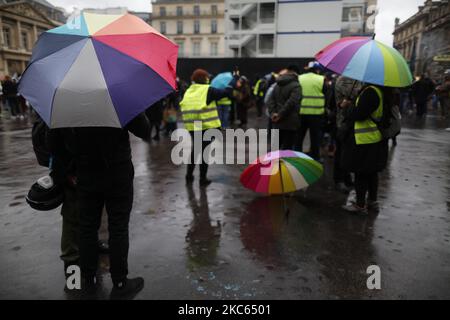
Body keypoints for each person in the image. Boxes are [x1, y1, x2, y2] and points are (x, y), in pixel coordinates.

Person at [51, 112, 151, 299]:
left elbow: (54, 143)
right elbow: (144, 130)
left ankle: (88, 279)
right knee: (118, 226)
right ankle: (120, 283)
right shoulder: (118, 96)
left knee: (87, 227)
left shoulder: (67, 100)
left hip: (86, 172)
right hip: (117, 171)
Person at [340, 84, 390, 215]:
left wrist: (347, 106)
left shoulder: (370, 92)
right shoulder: (380, 91)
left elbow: (359, 114)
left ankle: (360, 205)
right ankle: (372, 201)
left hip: (363, 138)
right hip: (373, 137)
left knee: (361, 172)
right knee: (371, 172)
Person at [180, 69, 235, 186]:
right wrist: (233, 81)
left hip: (192, 126)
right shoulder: (208, 90)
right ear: (205, 79)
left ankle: (189, 176)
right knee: (204, 152)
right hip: (206, 126)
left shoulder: (189, 90)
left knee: (196, 150)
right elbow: (226, 93)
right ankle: (202, 179)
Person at [333, 76, 362, 193]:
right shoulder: (343, 80)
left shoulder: (359, 80)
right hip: (343, 121)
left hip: (354, 121)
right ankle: (339, 180)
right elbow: (350, 96)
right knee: (341, 152)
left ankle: (347, 177)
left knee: (349, 152)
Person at [295, 62, 328, 161]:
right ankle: (315, 158)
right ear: (317, 70)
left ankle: (297, 157)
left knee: (299, 137)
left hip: (301, 112)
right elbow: (327, 94)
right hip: (316, 114)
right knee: (315, 138)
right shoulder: (321, 79)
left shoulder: (299, 78)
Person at [266, 67, 301, 150]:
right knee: (287, 148)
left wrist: (273, 114)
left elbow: (270, 101)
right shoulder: (296, 86)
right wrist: (280, 114)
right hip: (290, 123)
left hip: (277, 122)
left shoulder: (276, 85)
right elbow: (292, 103)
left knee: (275, 147)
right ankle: (283, 162)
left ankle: (272, 162)